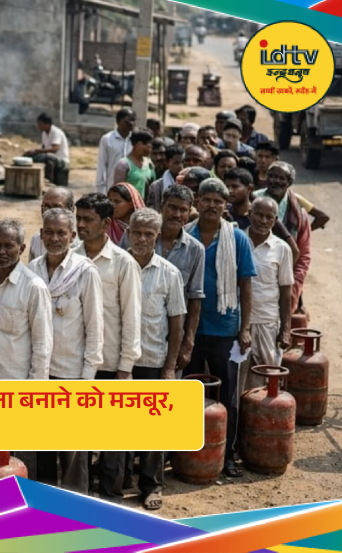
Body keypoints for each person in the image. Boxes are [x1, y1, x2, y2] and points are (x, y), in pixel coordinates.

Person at [184, 178, 257, 478]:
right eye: (207, 199)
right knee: (188, 394)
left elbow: (246, 285)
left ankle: (225, 457)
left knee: (226, 396)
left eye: (218, 200)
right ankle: (185, 454)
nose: (212, 205)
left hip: (225, 329)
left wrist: (245, 328)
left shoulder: (237, 238)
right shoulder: (185, 235)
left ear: (225, 206)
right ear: (197, 202)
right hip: (189, 329)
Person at [26, 208, 101, 495]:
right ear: (41, 234)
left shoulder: (85, 271)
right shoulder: (32, 270)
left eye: (61, 233)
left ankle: (75, 510)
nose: (54, 238)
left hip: (72, 374)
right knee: (43, 446)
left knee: (72, 452)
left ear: (72, 235)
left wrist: (87, 379)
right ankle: (46, 506)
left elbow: (95, 328)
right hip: (40, 373)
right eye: (49, 232)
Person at [74, 193, 142, 500]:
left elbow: (131, 317)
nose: (81, 225)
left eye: (88, 220)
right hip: (78, 362)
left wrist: (126, 366)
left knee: (113, 435)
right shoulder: (71, 257)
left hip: (112, 362)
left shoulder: (122, 263)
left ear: (106, 223)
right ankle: (83, 493)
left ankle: (112, 495)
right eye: (78, 218)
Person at [126, 208, 186, 510]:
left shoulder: (169, 273)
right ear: (128, 232)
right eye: (137, 232)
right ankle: (119, 480)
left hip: (153, 359)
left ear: (157, 237)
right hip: (119, 362)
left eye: (149, 234)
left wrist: (170, 368)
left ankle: (150, 485)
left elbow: (177, 324)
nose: (141, 238)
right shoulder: (114, 267)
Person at [0, 219, 53, 381]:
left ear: (21, 248)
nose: (1, 251)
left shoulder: (34, 287)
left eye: (9, 246)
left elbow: (42, 346)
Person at [243, 197, 294, 392]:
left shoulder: (281, 249)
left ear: (275, 220)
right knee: (238, 376)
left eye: (269, 217)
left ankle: (262, 421)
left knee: (266, 377)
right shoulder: (238, 240)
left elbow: (286, 292)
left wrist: (286, 329)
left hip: (267, 321)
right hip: (239, 322)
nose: (263, 221)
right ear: (250, 214)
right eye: (259, 215)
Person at [156, 185, 206, 373]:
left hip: (174, 337)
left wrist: (188, 344)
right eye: (172, 207)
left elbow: (195, 299)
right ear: (162, 206)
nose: (177, 214)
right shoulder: (139, 237)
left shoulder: (195, 249)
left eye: (183, 210)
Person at [253, 162, 311, 314]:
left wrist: (295, 284)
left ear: (289, 182)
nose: (275, 181)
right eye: (271, 176)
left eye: (280, 178)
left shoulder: (298, 214)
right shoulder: (252, 201)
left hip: (285, 279)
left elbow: (303, 255)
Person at [223, 167, 300, 266]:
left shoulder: (264, 215)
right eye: (226, 186)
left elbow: (294, 251)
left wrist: (278, 273)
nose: (229, 191)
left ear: (249, 189)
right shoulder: (224, 213)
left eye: (235, 187)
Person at [254, 143, 331, 230]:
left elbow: (322, 217)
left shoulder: (292, 198)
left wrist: (302, 233)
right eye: (260, 156)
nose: (263, 160)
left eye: (267, 157)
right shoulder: (251, 181)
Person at [28, 186, 76, 263]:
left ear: (71, 209)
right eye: (46, 207)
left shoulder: (83, 245)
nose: (49, 212)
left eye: (57, 207)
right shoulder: (36, 240)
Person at [23, 112, 71, 186]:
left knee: (47, 156)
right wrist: (33, 152)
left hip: (62, 161)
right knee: (29, 156)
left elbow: (54, 149)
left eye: (40, 124)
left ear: (47, 124)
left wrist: (37, 150)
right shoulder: (44, 133)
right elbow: (44, 148)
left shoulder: (56, 132)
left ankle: (48, 182)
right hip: (51, 157)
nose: (39, 126)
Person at [96, 108, 135, 194]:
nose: (131, 124)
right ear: (118, 122)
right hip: (112, 186)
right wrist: (101, 190)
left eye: (133, 120)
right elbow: (102, 164)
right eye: (127, 121)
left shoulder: (136, 140)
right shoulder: (107, 139)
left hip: (132, 187)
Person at [111, 130, 156, 196]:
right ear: (138, 144)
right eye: (147, 145)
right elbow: (118, 192)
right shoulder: (123, 165)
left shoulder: (149, 164)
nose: (150, 148)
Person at [146, 144, 183, 209]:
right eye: (176, 163)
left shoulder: (191, 183)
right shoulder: (156, 186)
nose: (181, 166)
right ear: (167, 163)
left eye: (182, 162)